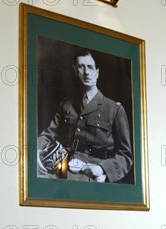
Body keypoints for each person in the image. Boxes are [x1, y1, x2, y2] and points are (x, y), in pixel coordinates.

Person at [37, 49, 133, 183]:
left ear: (97, 72)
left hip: (92, 177)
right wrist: (36, 152)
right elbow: (48, 134)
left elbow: (125, 155)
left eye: (90, 67)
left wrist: (102, 169)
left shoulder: (114, 109)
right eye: (81, 67)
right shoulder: (67, 104)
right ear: (75, 70)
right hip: (61, 170)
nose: (87, 72)